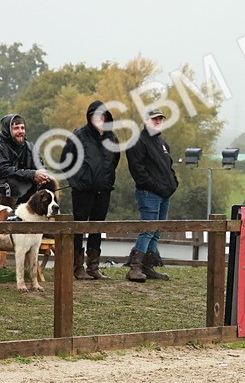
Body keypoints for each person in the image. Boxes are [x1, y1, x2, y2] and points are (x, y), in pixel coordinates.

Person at [61, 100, 121, 280]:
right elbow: (65, 161)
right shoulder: (78, 136)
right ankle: (77, 267)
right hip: (82, 191)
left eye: (101, 115)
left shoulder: (112, 137)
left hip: (103, 191)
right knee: (79, 227)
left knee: (97, 227)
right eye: (95, 116)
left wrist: (108, 181)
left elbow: (114, 161)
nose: (98, 119)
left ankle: (93, 267)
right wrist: (77, 182)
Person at [125, 108, 178, 283]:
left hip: (164, 194)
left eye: (160, 119)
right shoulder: (137, 142)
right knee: (147, 230)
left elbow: (168, 166)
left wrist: (173, 183)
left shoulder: (162, 143)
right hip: (148, 193)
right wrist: (156, 187)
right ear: (146, 120)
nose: (158, 121)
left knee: (156, 231)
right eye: (154, 119)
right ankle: (135, 268)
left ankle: (147, 266)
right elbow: (138, 171)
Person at [0, 114, 53, 208]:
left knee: (49, 182)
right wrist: (32, 174)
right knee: (10, 185)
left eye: (22, 128)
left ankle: (38, 216)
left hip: (16, 181)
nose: (20, 131)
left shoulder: (29, 147)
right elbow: (3, 171)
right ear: (8, 130)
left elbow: (39, 167)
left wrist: (42, 175)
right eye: (16, 128)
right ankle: (7, 217)